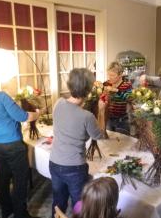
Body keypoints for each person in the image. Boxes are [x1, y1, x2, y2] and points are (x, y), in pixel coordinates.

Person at [0, 70, 41, 218]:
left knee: (2, 177)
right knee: (20, 178)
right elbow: (22, 116)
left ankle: (7, 210)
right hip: (12, 145)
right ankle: (20, 214)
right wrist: (37, 113)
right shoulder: (1, 97)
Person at [49, 68, 105, 217]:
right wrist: (101, 111)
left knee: (58, 202)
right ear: (88, 90)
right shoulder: (87, 116)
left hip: (54, 162)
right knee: (79, 205)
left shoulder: (58, 103)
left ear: (70, 85)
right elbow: (99, 135)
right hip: (74, 167)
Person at [103, 62, 132, 135]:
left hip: (122, 121)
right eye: (108, 74)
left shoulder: (127, 85)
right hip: (108, 120)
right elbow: (101, 99)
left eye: (112, 75)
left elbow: (129, 99)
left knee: (123, 143)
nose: (109, 77)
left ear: (120, 75)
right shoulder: (106, 84)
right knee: (108, 143)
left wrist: (116, 90)